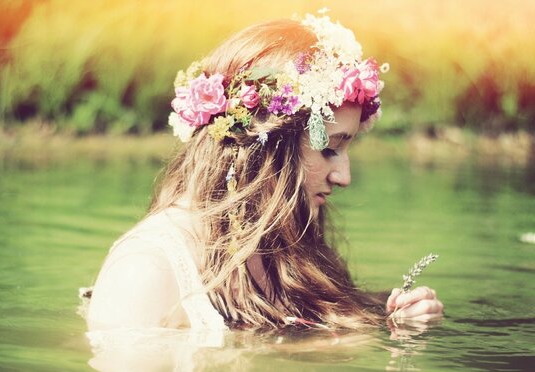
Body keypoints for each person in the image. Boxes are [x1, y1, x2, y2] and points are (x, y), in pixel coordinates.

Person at [84, 12, 444, 335]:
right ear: (266, 147)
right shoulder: (146, 272)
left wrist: (392, 318)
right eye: (329, 148)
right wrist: (340, 345)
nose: (344, 177)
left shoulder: (285, 241)